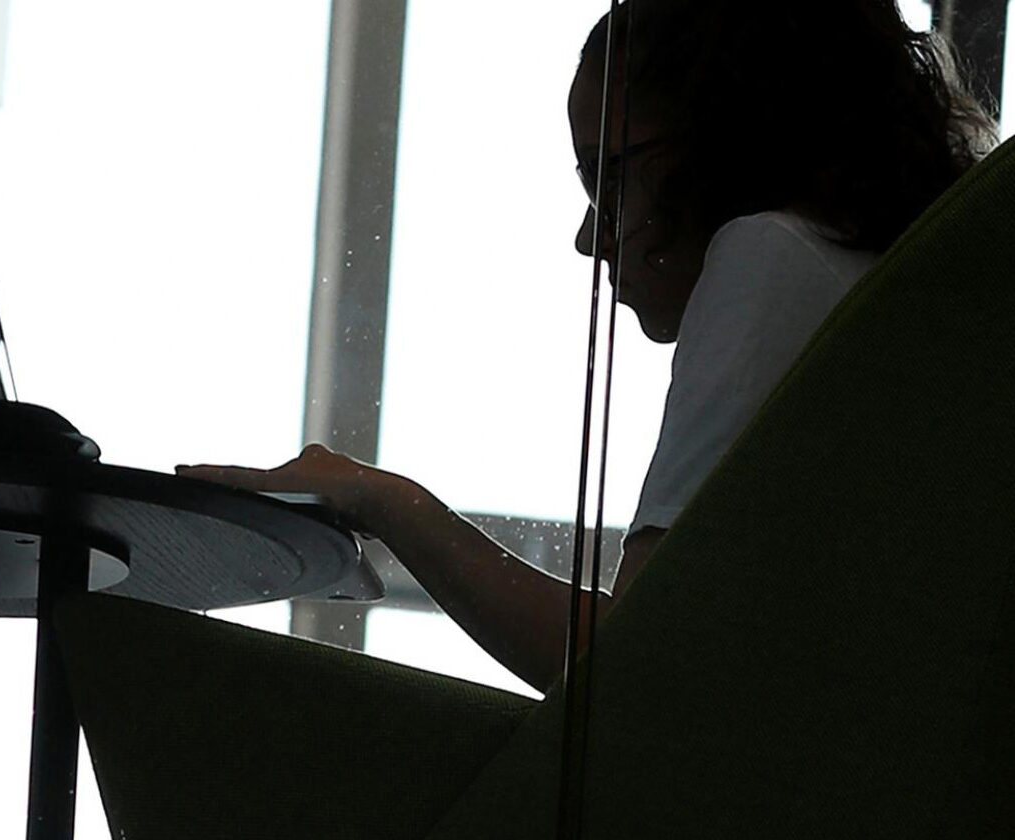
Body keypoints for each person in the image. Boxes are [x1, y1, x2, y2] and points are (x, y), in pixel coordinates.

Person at [178, 0, 996, 692]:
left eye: (608, 176)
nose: (587, 236)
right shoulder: (874, 287)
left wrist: (386, 501)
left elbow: (626, 673)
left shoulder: (769, 258)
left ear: (726, 136)